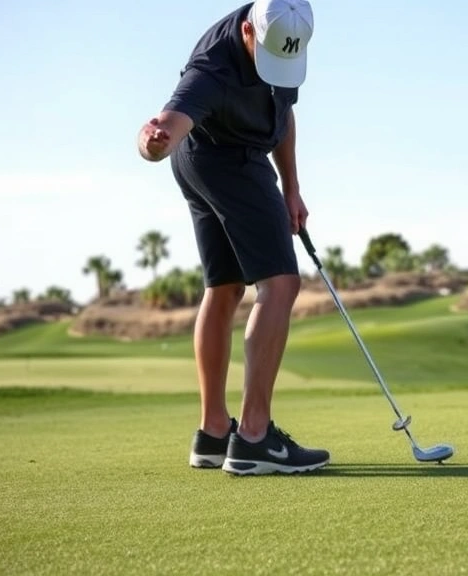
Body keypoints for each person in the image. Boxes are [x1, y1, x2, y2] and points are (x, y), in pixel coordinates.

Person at [136, 0, 328, 476]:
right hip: (217, 157)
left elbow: (283, 113)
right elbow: (168, 127)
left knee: (224, 288)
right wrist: (153, 143)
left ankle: (214, 433)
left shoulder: (287, 34)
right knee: (281, 284)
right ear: (247, 31)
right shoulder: (212, 70)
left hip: (212, 161)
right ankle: (256, 438)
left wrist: (292, 187)